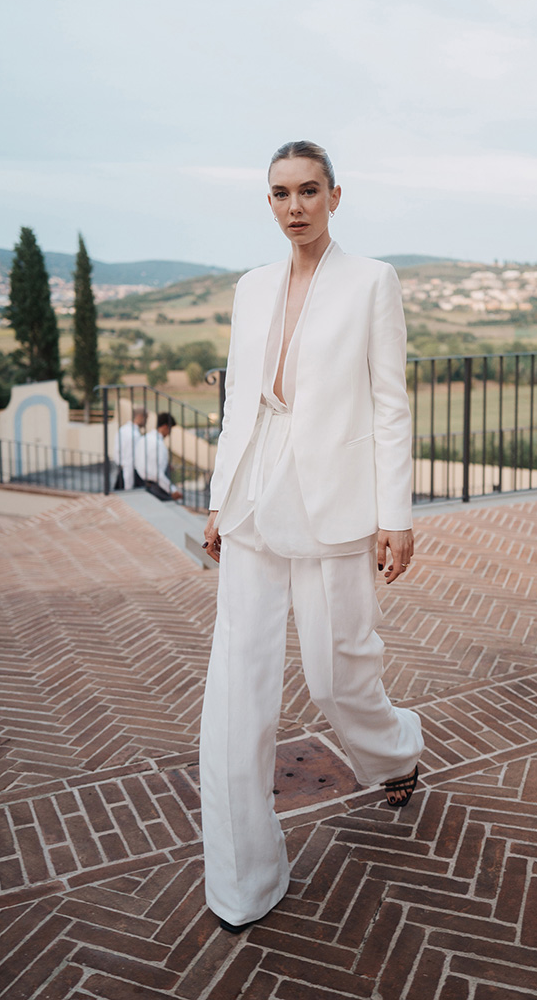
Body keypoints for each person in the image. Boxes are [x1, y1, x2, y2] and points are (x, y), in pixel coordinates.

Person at [199, 140, 423, 935]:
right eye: (280, 193)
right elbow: (238, 408)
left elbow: (391, 404)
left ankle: (395, 752)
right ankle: (241, 881)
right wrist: (221, 500)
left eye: (308, 191)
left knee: (337, 677)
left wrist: (394, 513)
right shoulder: (251, 288)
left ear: (335, 194)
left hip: (336, 504)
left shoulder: (372, 282)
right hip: (257, 500)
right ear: (268, 202)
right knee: (237, 693)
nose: (295, 206)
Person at [134, 411, 183, 501]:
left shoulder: (144, 438)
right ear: (165, 427)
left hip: (141, 483)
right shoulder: (157, 444)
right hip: (154, 488)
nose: (169, 433)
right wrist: (173, 490)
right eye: (170, 429)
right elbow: (156, 473)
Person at [112, 408, 147, 490]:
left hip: (122, 471)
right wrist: (128, 486)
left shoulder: (122, 429)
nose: (146, 422)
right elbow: (130, 460)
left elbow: (116, 452)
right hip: (129, 475)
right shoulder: (134, 435)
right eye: (146, 418)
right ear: (140, 417)